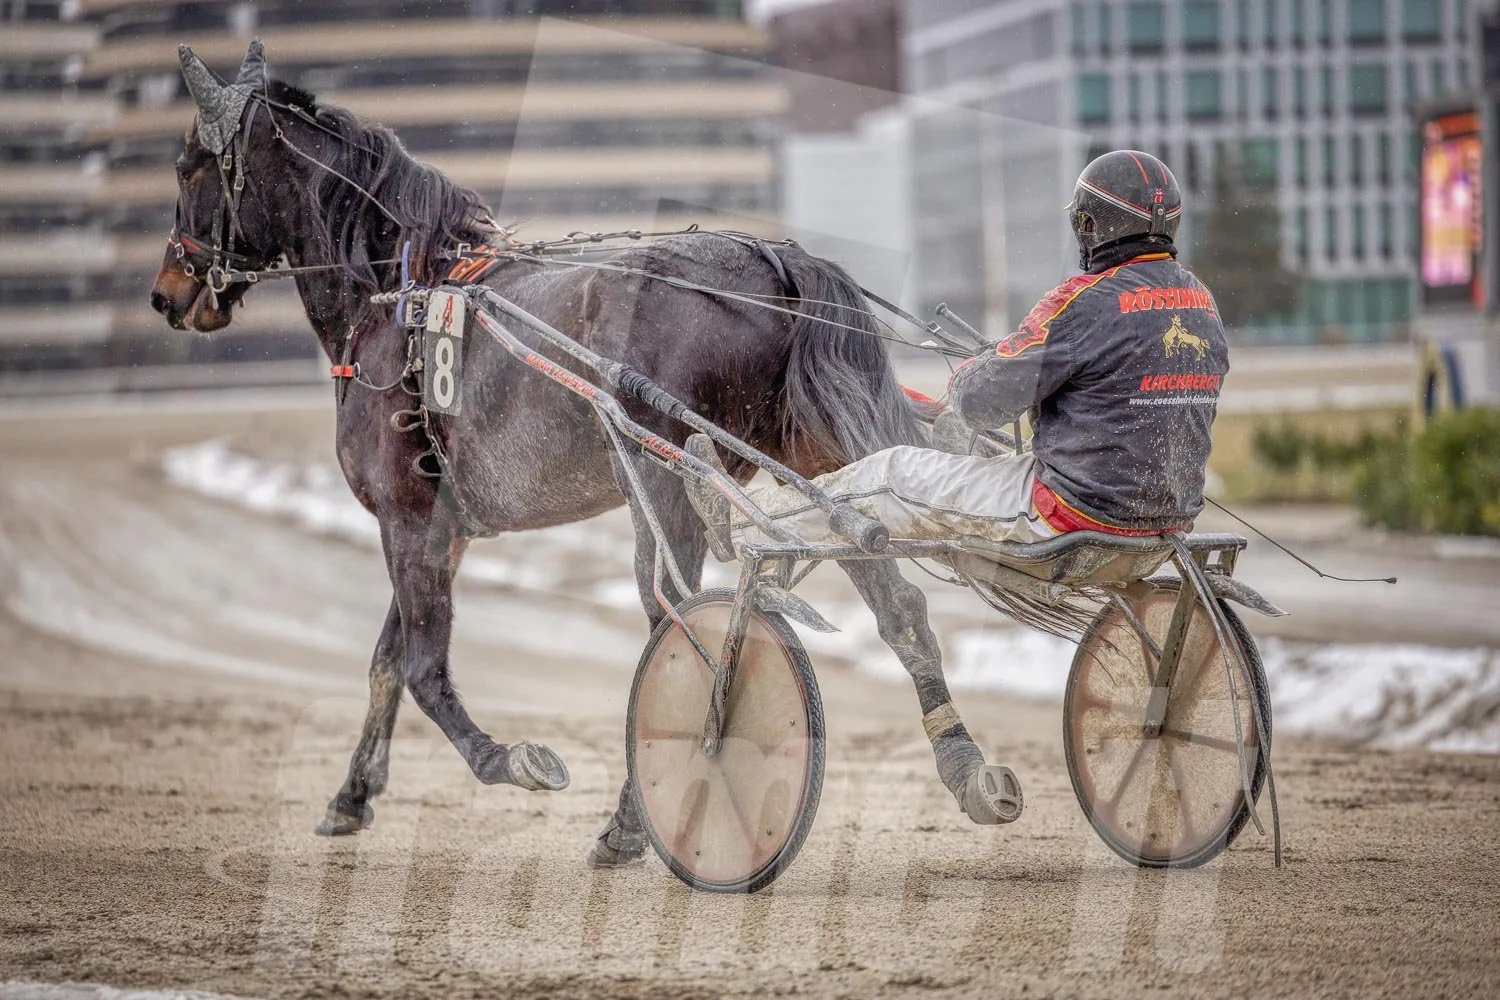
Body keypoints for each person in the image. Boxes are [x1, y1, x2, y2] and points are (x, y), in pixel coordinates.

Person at [687, 149, 1230, 557]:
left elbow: (979, 400)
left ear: (1091, 225)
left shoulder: (1084, 301)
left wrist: (982, 364)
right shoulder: (1200, 300)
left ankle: (739, 522)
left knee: (890, 473)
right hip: (1167, 514)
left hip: (1072, 512)